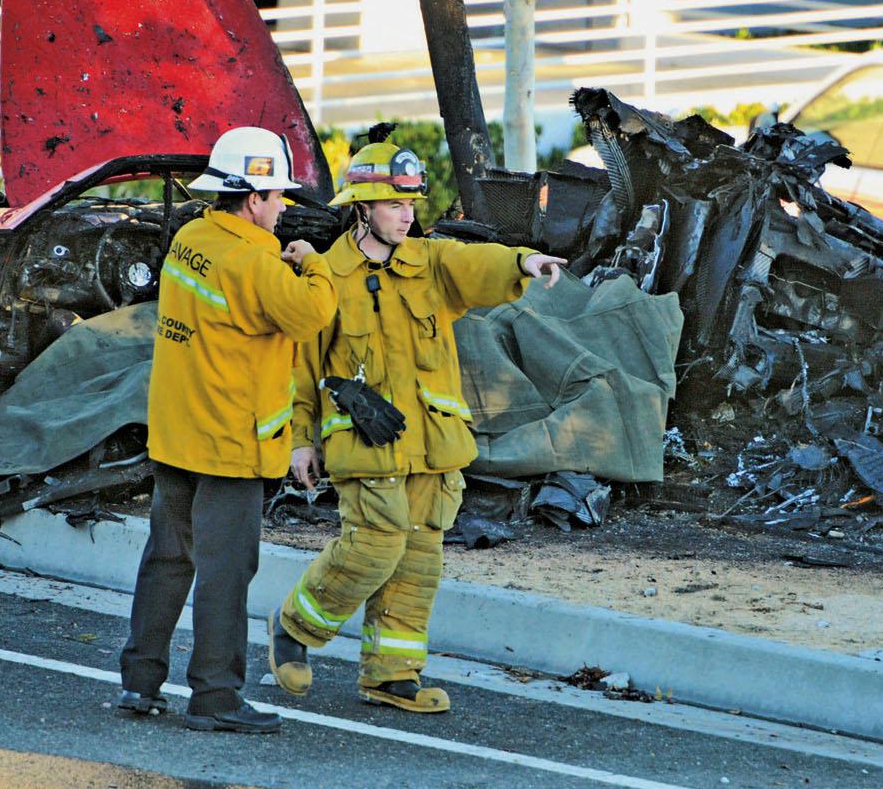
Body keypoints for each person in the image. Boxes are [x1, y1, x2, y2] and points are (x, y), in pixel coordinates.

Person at [266, 140, 566, 713]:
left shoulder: (429, 261)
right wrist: (301, 441)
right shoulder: (327, 275)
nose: (407, 214)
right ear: (363, 208)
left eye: (410, 204)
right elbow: (301, 369)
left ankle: (392, 675)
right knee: (374, 548)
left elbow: (476, 265)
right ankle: (295, 629)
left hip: (432, 446)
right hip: (365, 445)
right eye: (393, 205)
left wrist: (523, 260)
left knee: (419, 560)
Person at [119, 126, 337, 733]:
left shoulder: (192, 237)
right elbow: (313, 315)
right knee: (226, 573)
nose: (285, 207)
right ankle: (215, 696)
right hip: (231, 445)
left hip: (178, 432)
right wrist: (312, 264)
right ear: (251, 198)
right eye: (277, 197)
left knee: (167, 559)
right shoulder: (257, 260)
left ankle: (140, 681)